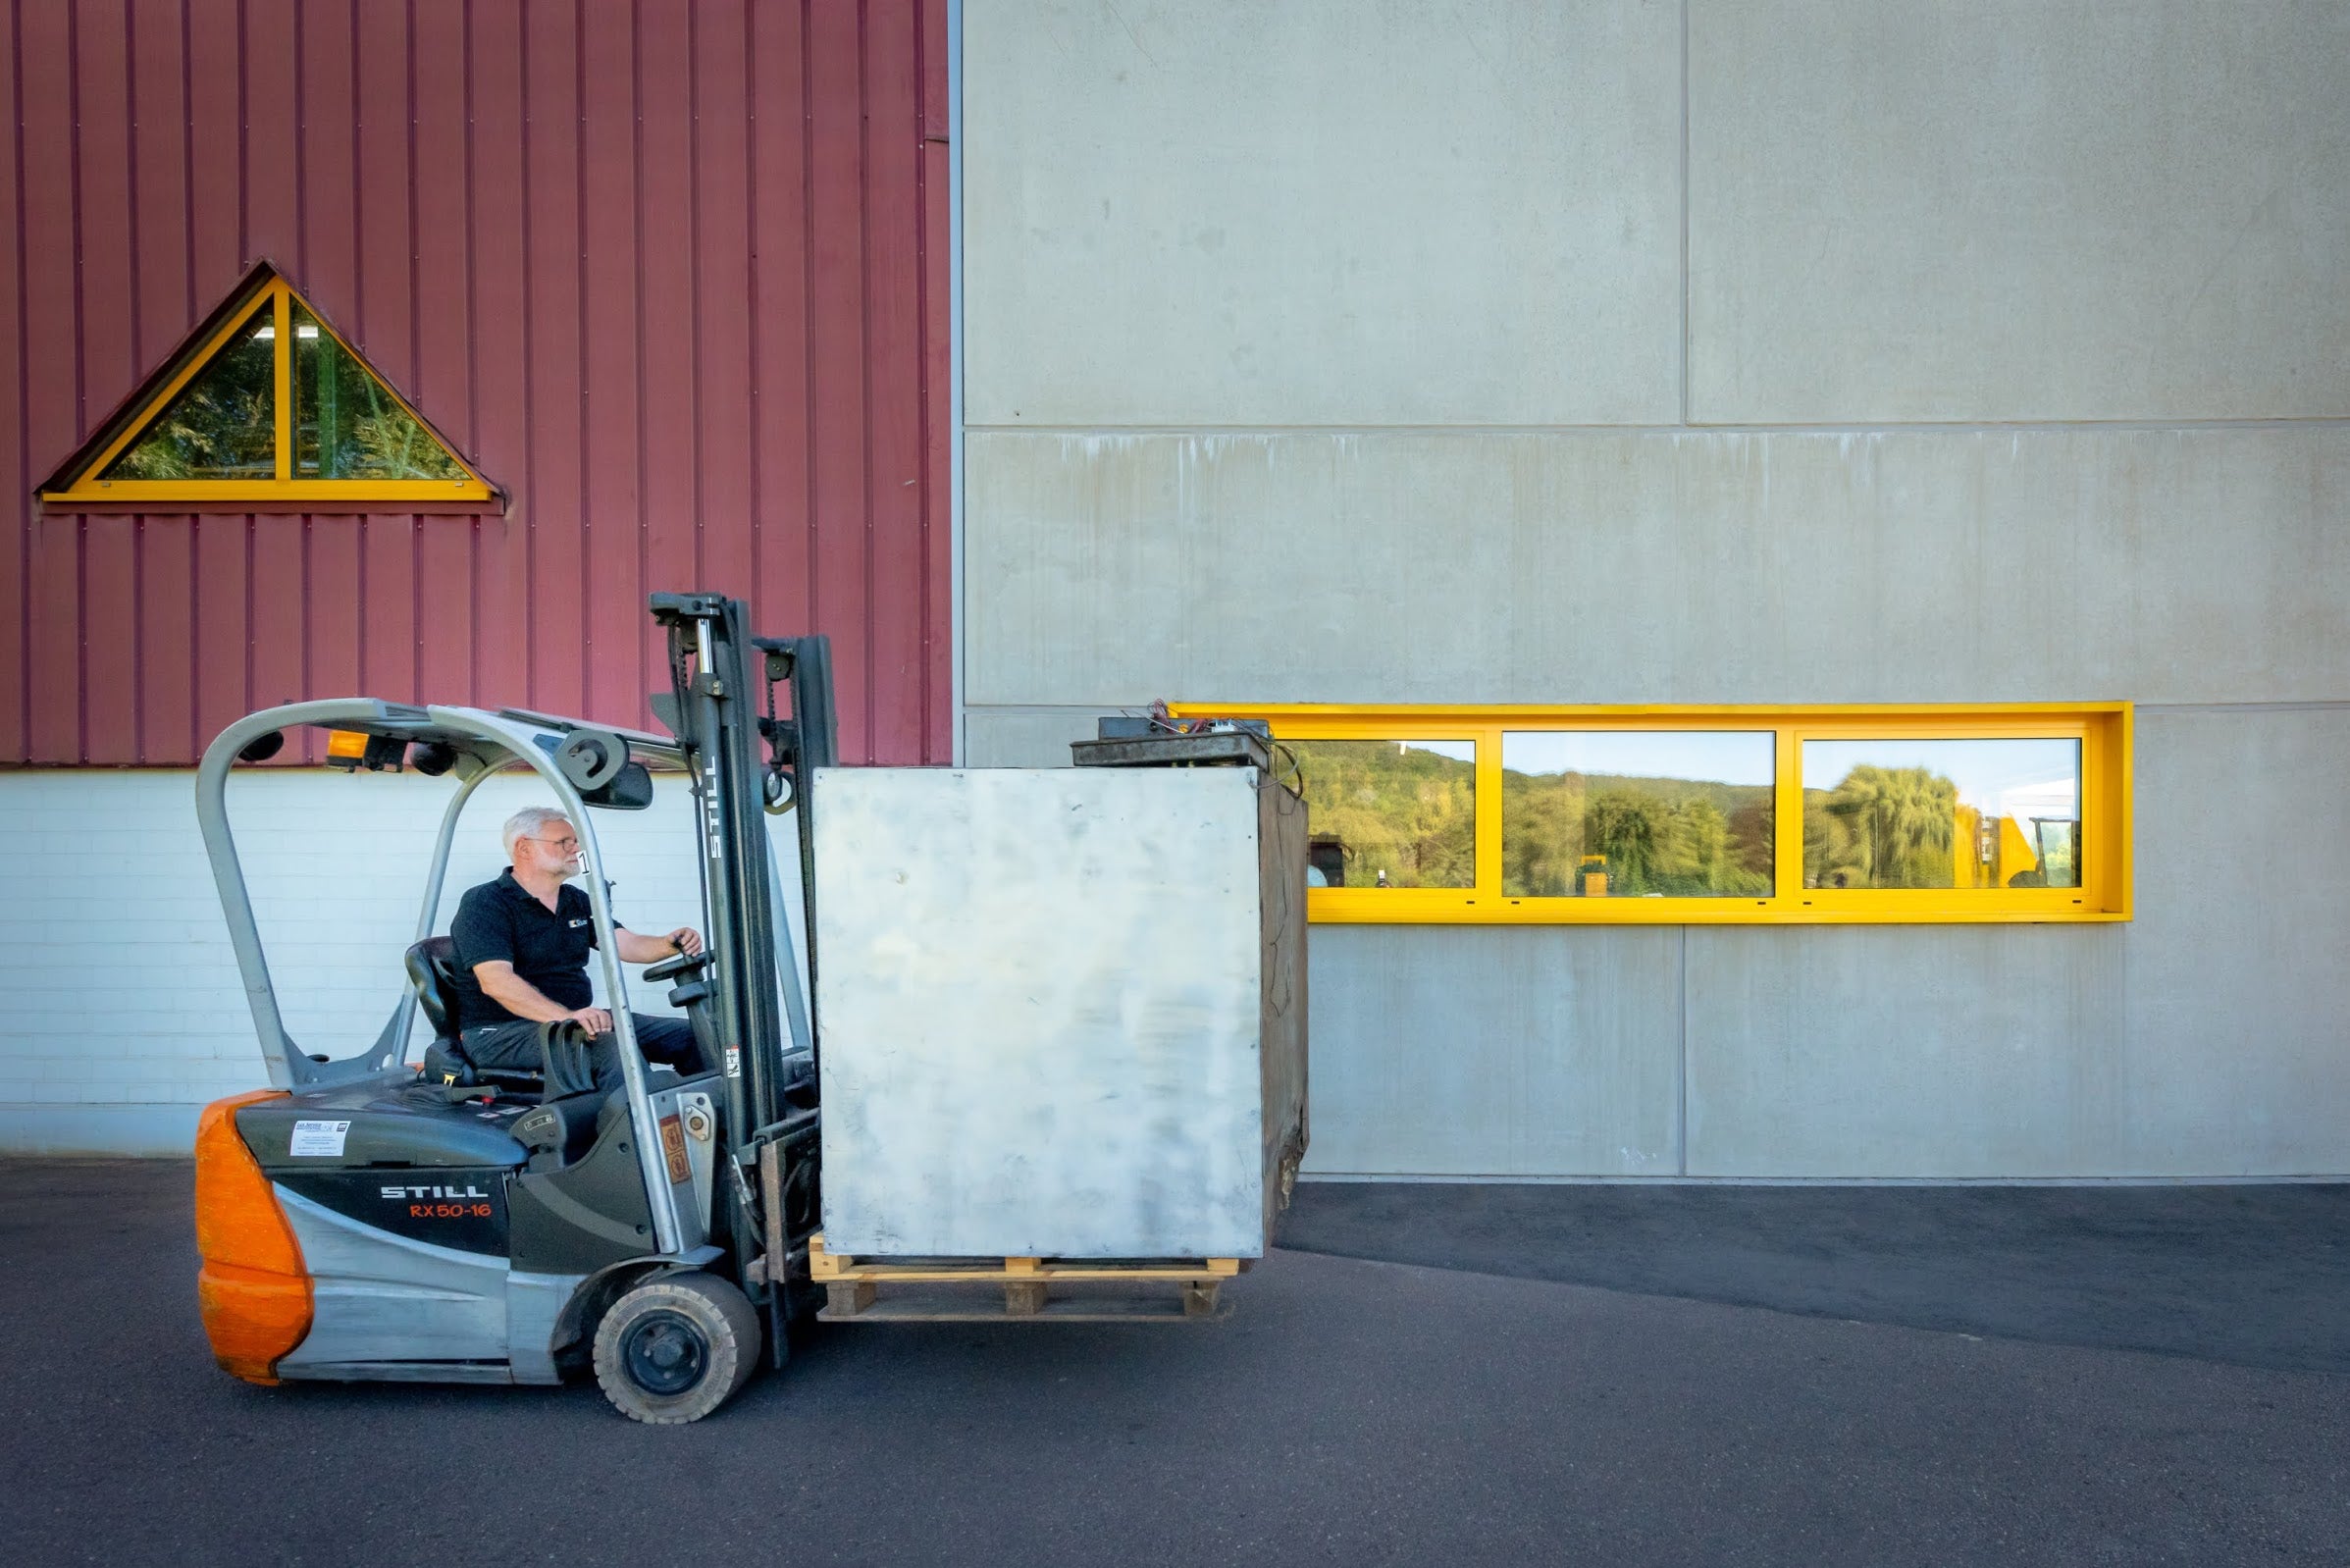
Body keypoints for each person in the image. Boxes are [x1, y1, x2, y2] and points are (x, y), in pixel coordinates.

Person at [448, 806, 705, 1092]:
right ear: (524, 848)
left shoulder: (576, 900)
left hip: (570, 1022)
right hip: (500, 1034)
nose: (576, 848)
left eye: (576, 841)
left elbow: (624, 943)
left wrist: (668, 944)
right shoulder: (485, 903)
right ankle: (638, 1133)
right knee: (612, 1046)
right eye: (564, 842)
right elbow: (496, 981)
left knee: (694, 1034)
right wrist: (565, 1017)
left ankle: (711, 1123)